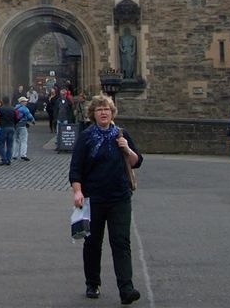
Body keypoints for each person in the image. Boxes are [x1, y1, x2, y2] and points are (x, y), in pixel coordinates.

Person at [69, 95, 143, 305]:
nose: (103, 112)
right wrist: (78, 191)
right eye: (99, 109)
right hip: (94, 198)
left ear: (112, 113)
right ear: (93, 113)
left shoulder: (121, 134)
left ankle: (126, 288)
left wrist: (126, 148)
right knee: (93, 243)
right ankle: (92, 282)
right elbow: (76, 168)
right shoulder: (86, 137)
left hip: (120, 197)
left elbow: (137, 162)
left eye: (107, 109)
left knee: (121, 242)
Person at [0, 98, 17, 166]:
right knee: (10, 145)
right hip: (11, 128)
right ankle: (8, 160)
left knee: (1, 144)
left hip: (3, 127)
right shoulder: (13, 109)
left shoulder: (0, 109)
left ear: (3, 101)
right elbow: (16, 119)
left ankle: (4, 159)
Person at [13, 96, 35, 161]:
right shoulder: (24, 108)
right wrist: (33, 121)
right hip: (22, 125)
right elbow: (29, 116)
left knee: (16, 140)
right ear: (21, 102)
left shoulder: (15, 108)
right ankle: (23, 155)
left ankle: (14, 155)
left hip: (15, 126)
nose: (26, 102)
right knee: (24, 140)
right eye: (25, 101)